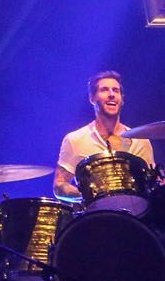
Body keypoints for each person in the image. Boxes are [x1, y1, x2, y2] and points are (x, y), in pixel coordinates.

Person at [53, 70, 154, 203]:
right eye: (104, 90)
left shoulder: (140, 140)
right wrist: (90, 196)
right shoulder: (75, 139)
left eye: (116, 90)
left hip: (135, 218)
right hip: (95, 219)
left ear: (122, 99)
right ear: (92, 98)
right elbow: (59, 186)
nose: (111, 94)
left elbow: (151, 183)